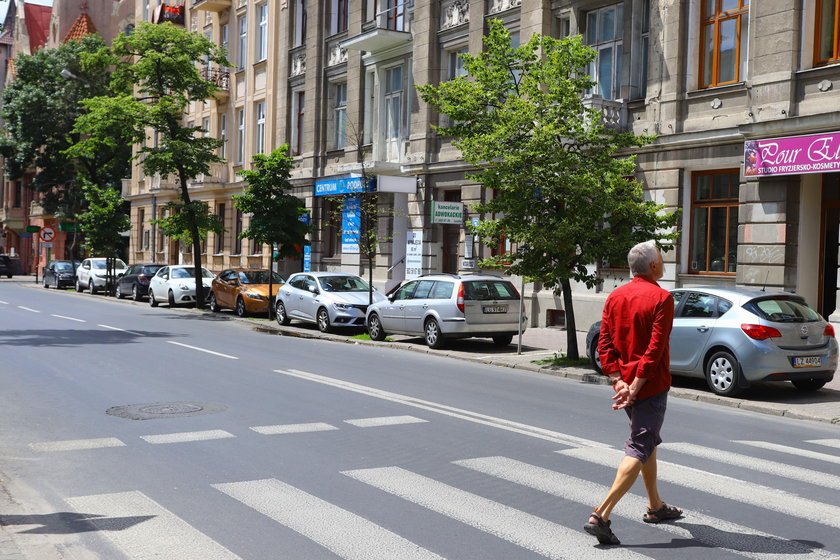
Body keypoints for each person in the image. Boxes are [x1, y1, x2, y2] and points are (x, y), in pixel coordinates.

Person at [584, 240, 683, 546]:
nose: (664, 263)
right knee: (640, 444)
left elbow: (605, 343)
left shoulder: (615, 296)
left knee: (647, 440)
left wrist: (618, 380)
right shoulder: (662, 298)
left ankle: (655, 507)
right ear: (653, 266)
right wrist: (636, 386)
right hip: (649, 386)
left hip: (626, 384)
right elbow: (654, 351)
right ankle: (601, 513)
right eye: (662, 259)